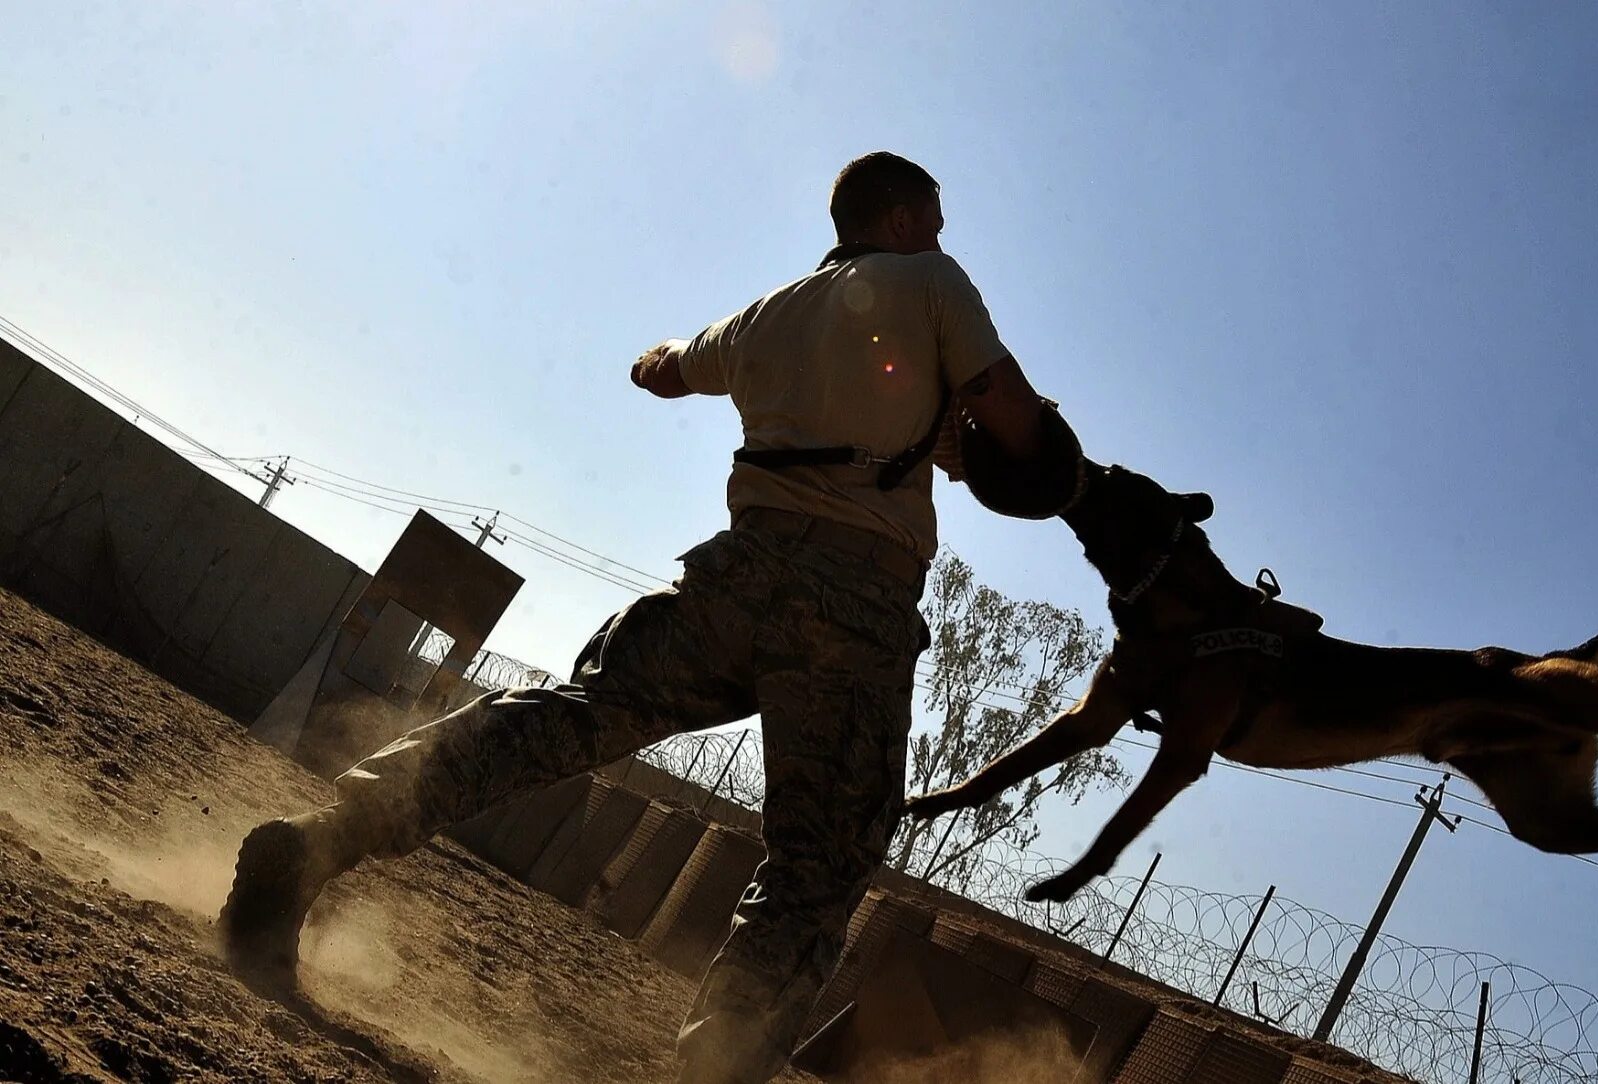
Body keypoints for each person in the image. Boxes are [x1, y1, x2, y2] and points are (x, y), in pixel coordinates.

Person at [220, 151, 1054, 1084]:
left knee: (575, 715)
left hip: (735, 577)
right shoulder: (931, 280)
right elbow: (1018, 426)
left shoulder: (767, 315)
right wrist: (1033, 457)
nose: (941, 237)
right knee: (815, 867)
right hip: (853, 608)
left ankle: (319, 840)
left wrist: (659, 358)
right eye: (932, 219)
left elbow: (661, 371)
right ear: (900, 221)